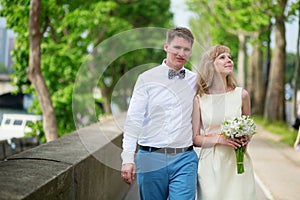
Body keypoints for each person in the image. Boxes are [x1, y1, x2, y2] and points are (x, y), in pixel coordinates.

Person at [121, 27, 198, 200]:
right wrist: (127, 158)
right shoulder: (146, 78)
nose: (181, 53)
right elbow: (133, 121)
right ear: (166, 47)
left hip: (185, 158)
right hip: (150, 158)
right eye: (177, 47)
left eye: (186, 49)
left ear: (191, 52)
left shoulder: (195, 81)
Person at [192, 45, 256, 200]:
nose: (229, 60)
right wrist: (220, 139)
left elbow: (249, 129)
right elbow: (195, 139)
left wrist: (245, 138)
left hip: (237, 163)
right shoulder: (199, 99)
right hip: (210, 166)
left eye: (229, 57)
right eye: (222, 57)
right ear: (210, 65)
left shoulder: (242, 95)